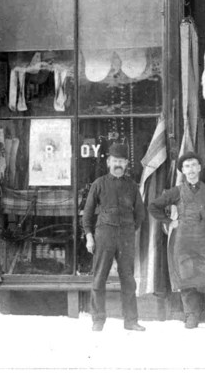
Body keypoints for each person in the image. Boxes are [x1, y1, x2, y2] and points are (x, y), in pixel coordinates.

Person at [149, 152, 205, 330]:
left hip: (204, 243)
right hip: (183, 244)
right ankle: (191, 317)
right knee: (187, 282)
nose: (191, 169)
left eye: (194, 165)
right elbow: (153, 206)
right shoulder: (176, 192)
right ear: (183, 171)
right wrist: (169, 222)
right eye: (187, 166)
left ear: (200, 168)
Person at [82, 142, 146, 332]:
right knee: (99, 277)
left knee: (128, 279)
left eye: (122, 161)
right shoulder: (99, 184)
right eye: (115, 160)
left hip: (125, 236)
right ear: (109, 162)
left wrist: (129, 229)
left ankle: (131, 321)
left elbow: (140, 214)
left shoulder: (132, 187)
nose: (118, 164)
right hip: (104, 235)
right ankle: (98, 320)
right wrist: (89, 236)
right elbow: (87, 213)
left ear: (126, 163)